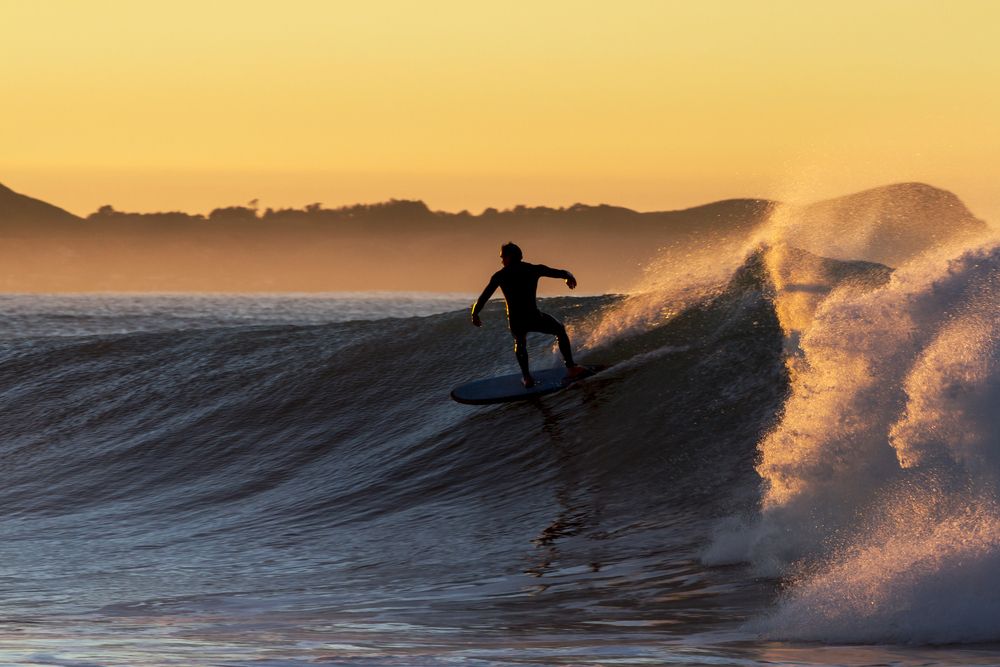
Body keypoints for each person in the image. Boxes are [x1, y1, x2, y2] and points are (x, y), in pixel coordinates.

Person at [471, 242, 584, 388]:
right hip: (533, 316)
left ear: (510, 257)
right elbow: (559, 272)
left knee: (520, 342)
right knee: (559, 330)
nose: (501, 260)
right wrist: (568, 276)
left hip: (515, 319)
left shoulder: (500, 275)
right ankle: (571, 368)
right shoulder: (532, 269)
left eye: (503, 257)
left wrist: (475, 313)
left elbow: (484, 297)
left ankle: (527, 378)